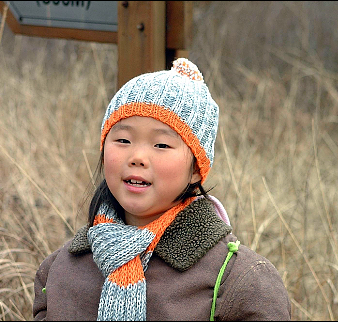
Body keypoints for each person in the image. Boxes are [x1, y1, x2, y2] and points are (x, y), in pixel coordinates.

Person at [33, 58, 291, 321]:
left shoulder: (241, 281)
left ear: (195, 170)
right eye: (123, 139)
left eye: (161, 145)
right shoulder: (60, 269)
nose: (137, 156)